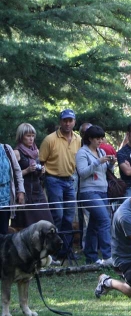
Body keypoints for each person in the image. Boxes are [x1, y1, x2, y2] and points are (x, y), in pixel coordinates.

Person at [39, 108, 81, 259]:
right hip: (53, 179)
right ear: (60, 122)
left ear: (74, 122)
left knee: (69, 217)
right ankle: (54, 252)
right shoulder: (50, 139)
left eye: (70, 120)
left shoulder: (78, 139)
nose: (68, 123)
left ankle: (67, 251)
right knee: (58, 215)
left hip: (70, 180)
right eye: (65, 120)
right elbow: (41, 161)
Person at [76, 125, 116, 265]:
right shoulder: (82, 153)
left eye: (101, 138)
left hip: (102, 191)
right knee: (105, 220)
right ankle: (108, 256)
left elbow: (104, 171)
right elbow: (82, 173)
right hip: (89, 192)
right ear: (90, 139)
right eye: (97, 138)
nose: (100, 141)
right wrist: (98, 161)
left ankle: (91, 257)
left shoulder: (100, 151)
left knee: (94, 224)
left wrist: (111, 164)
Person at [10, 123, 53, 230]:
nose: (31, 138)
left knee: (46, 221)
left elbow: (39, 175)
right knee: (26, 225)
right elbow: (12, 175)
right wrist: (27, 170)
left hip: (38, 191)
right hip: (23, 191)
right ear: (21, 136)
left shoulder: (37, 151)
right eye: (28, 136)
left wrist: (41, 171)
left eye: (33, 135)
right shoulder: (16, 152)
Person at [0, 143, 24, 234]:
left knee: (3, 232)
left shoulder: (7, 149)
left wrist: (21, 190)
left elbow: (17, 171)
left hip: (5, 200)